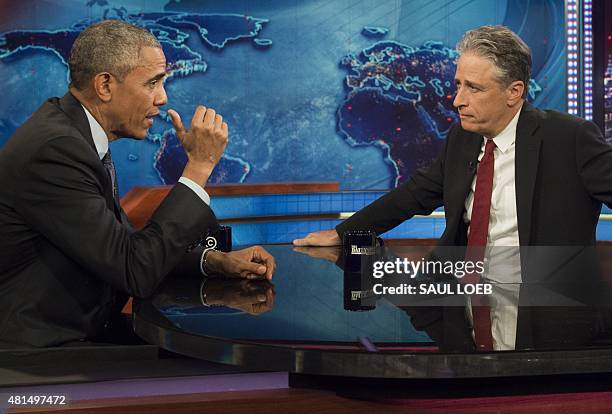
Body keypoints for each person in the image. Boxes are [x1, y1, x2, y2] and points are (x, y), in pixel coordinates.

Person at [0, 20, 275, 347]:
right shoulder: (57, 150)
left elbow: (123, 244)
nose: (162, 97)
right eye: (153, 82)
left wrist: (213, 261)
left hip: (86, 332)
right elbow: (135, 270)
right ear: (105, 85)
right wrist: (200, 166)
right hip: (44, 356)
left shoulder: (75, 133)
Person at [294, 25, 612, 255]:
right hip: (463, 304)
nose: (457, 100)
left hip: (548, 312)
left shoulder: (570, 139)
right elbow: (413, 195)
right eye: (458, 85)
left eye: (473, 88)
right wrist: (342, 233)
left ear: (514, 92)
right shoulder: (463, 137)